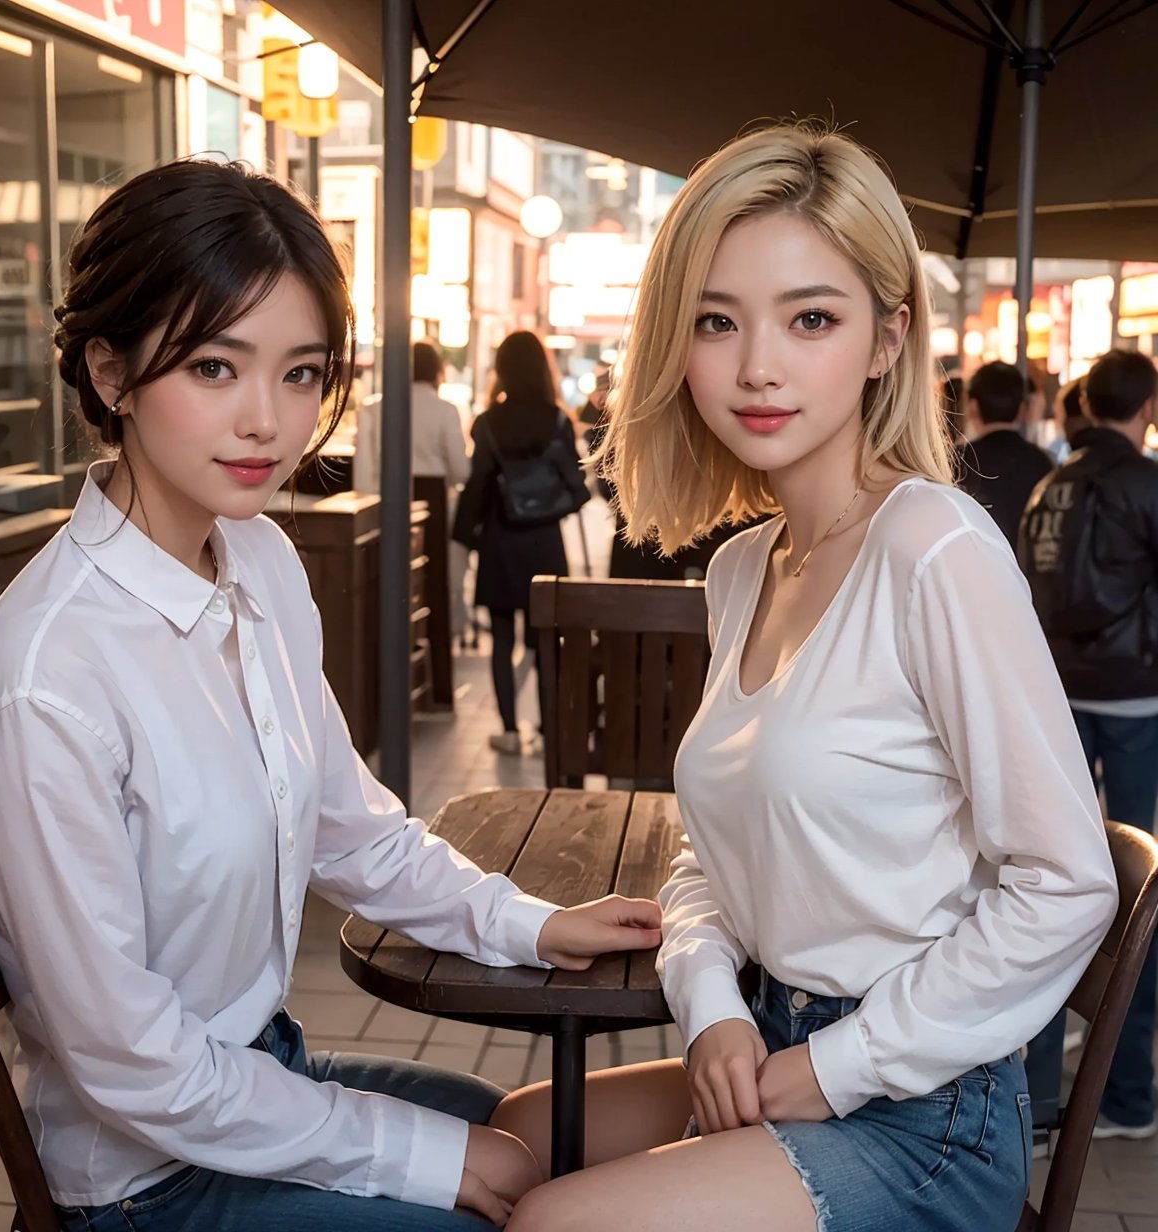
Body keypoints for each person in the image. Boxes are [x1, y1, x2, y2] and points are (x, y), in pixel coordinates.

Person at [0, 158, 664, 1232]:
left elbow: (351, 826)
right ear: (109, 371)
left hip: (258, 1075)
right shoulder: (49, 676)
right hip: (147, 1178)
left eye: (299, 373)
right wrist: (419, 1154)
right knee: (505, 1192)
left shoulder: (260, 560)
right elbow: (132, 1064)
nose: (267, 422)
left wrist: (529, 922)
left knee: (527, 1146)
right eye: (215, 366)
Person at [489, 124, 1118, 1232]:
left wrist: (833, 1066)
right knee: (509, 1142)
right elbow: (704, 858)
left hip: (922, 1103)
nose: (756, 365)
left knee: (553, 1217)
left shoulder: (935, 547)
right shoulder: (742, 566)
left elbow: (1066, 883)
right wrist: (709, 1005)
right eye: (714, 320)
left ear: (886, 337)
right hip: (767, 1034)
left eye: (809, 317)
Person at [1019, 347, 1158, 1141]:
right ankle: (1130, 1091)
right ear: (1143, 408)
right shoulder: (1148, 481)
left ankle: (1040, 1091)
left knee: (1052, 877)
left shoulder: (1053, 483)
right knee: (1140, 890)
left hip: (1060, 698)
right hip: (1137, 701)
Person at [453, 331, 583, 755]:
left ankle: (509, 730)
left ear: (503, 370)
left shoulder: (488, 424)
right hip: (545, 543)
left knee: (503, 639)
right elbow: (576, 485)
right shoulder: (558, 421)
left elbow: (477, 487)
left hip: (501, 541)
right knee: (546, 639)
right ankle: (547, 732)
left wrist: (462, 537)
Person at [353, 337, 473, 638]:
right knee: (434, 586)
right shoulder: (445, 410)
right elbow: (461, 470)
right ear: (436, 370)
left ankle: (390, 661)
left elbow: (365, 470)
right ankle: (438, 676)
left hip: (385, 497)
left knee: (389, 582)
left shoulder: (374, 408)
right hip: (432, 499)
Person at [956, 361, 1053, 550]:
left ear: (973, 406)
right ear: (1022, 409)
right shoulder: (1042, 462)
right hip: (1027, 574)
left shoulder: (957, 460)